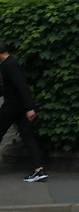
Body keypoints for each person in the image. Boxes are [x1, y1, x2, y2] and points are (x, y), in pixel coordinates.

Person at [0, 38, 48, 182]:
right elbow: (10, 87)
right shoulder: (9, 63)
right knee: (28, 137)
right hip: (20, 107)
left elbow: (22, 86)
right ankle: (39, 170)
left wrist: (30, 108)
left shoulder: (9, 65)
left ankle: (39, 170)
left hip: (13, 107)